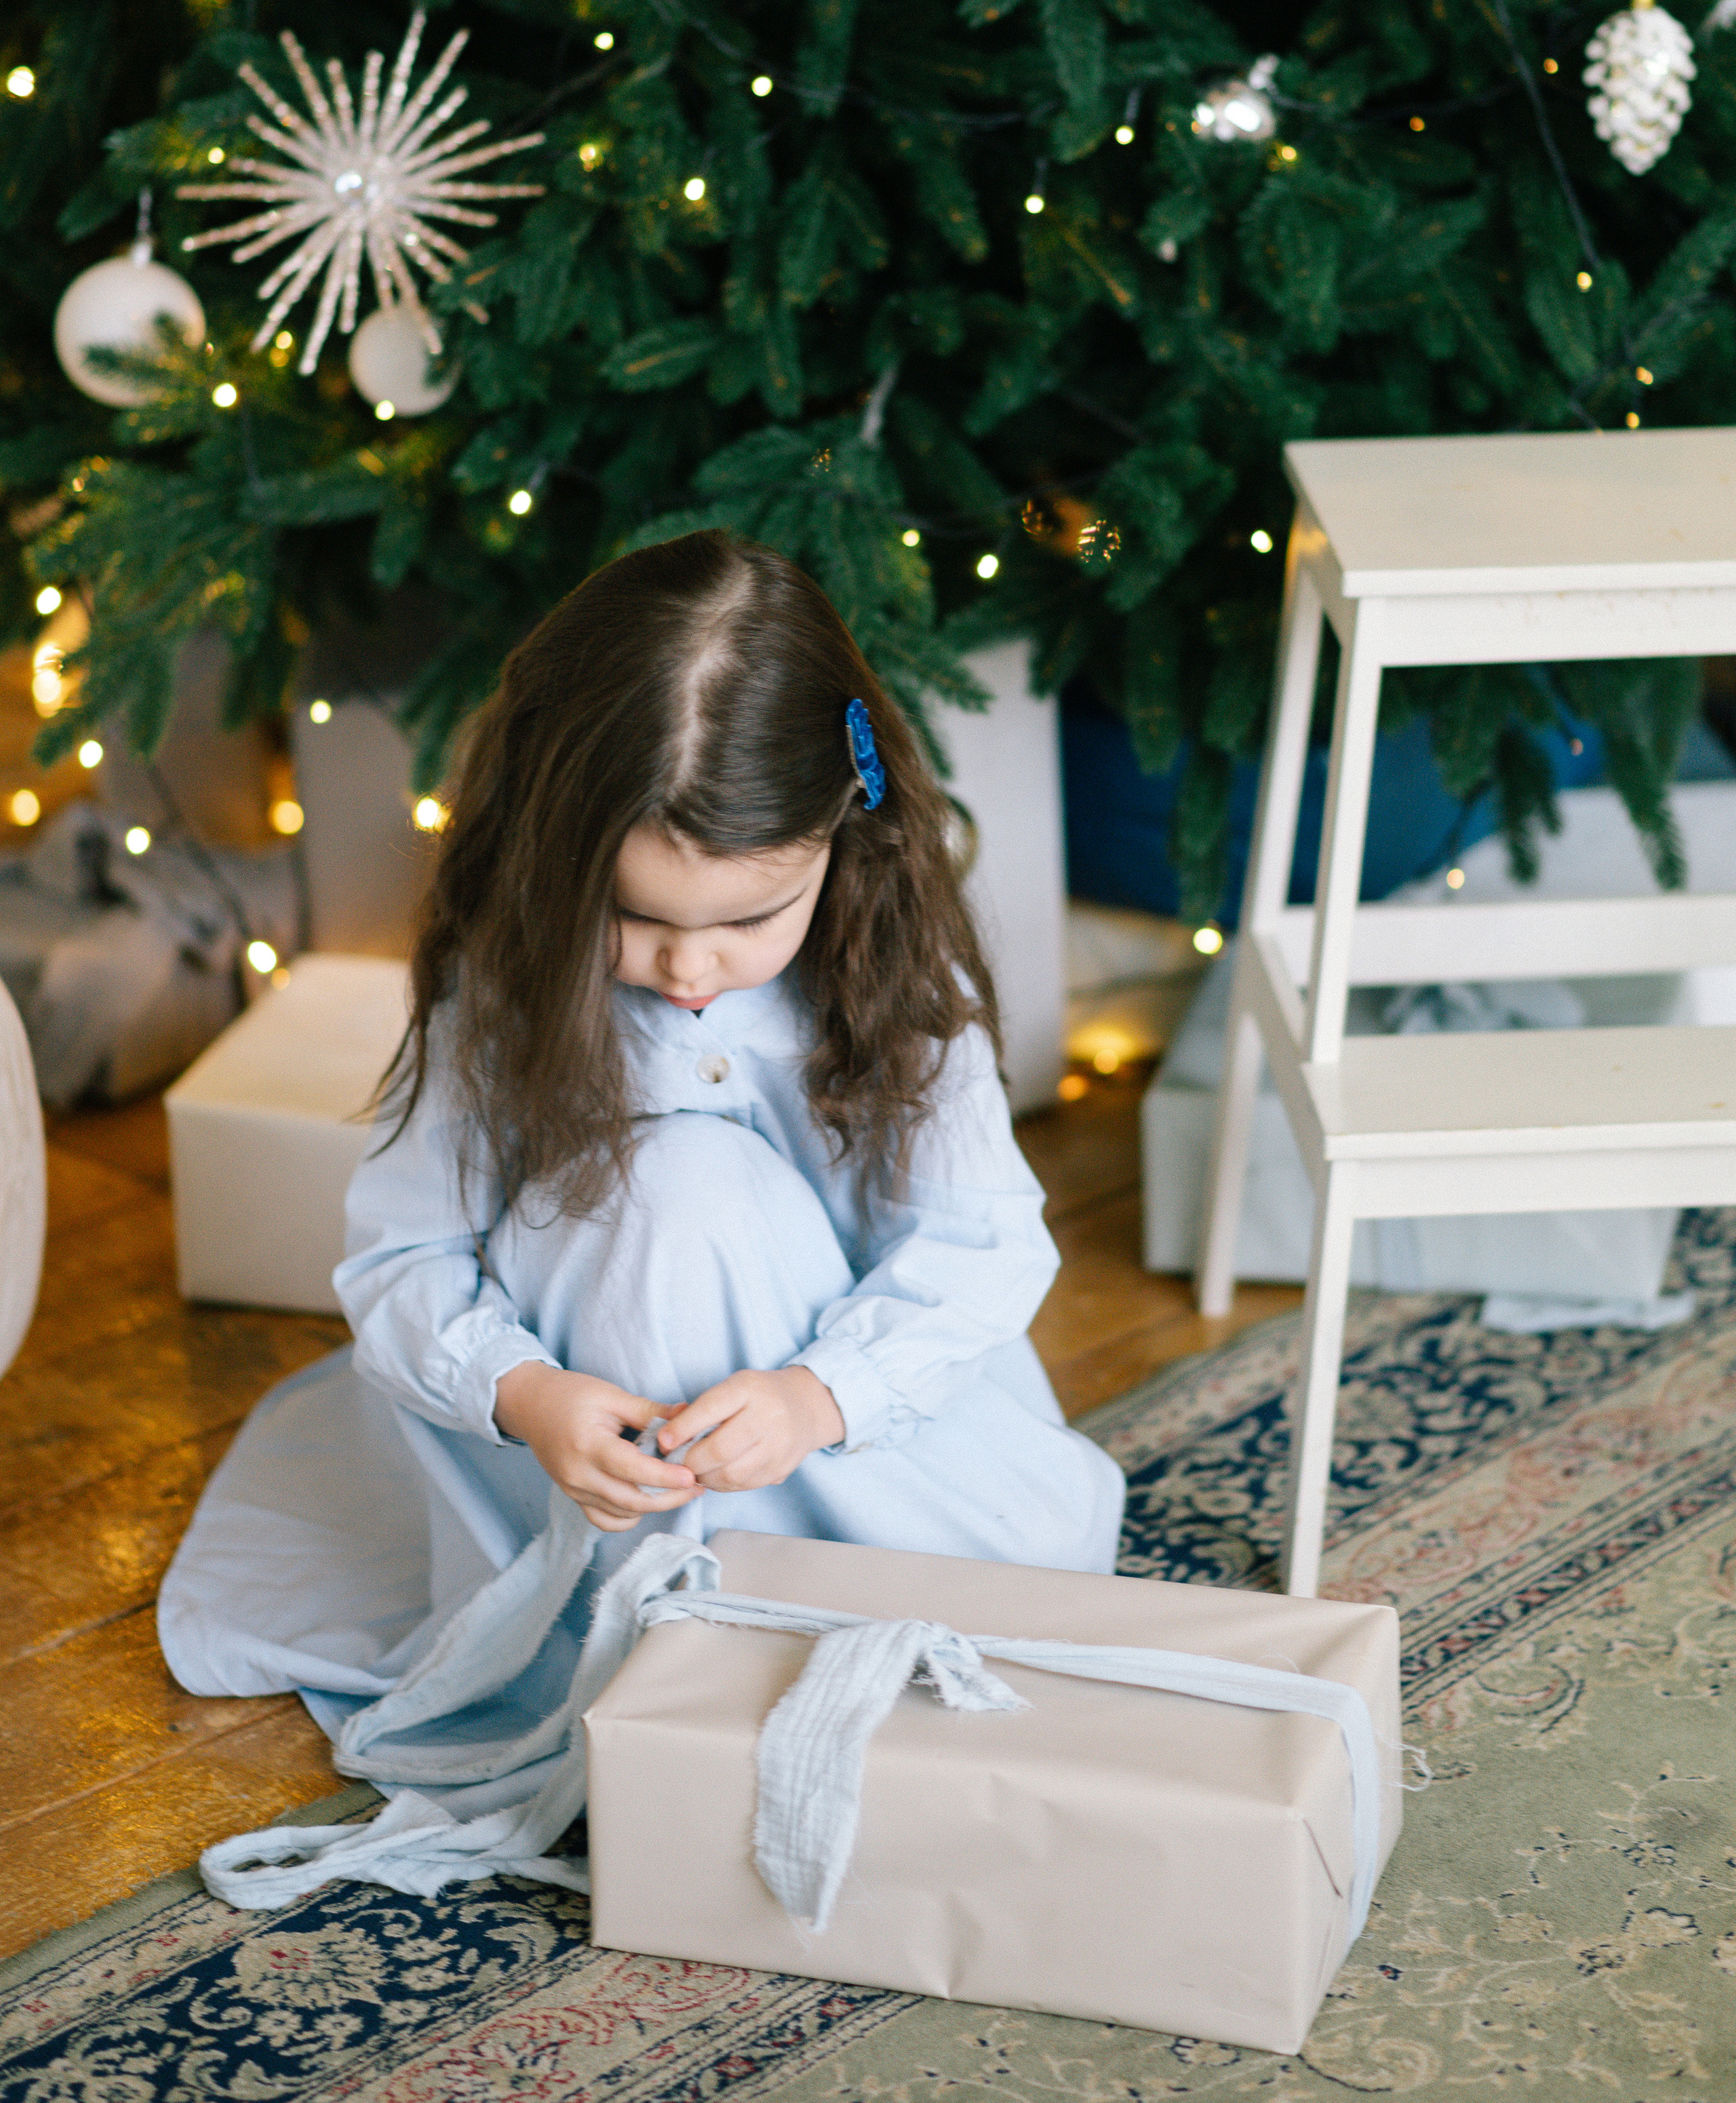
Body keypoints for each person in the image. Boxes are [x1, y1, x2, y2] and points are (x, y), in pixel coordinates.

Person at [158, 530, 1125, 1786]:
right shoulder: (509, 989)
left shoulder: (897, 985)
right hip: (579, 1448)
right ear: (557, 856)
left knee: (704, 1201)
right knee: (667, 1199)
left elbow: (979, 1245)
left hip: (843, 1444)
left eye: (746, 920)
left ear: (847, 836)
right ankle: (633, 1653)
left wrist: (817, 1398)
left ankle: (782, 1610)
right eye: (636, 916)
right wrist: (527, 1398)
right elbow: (406, 1256)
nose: (687, 969)